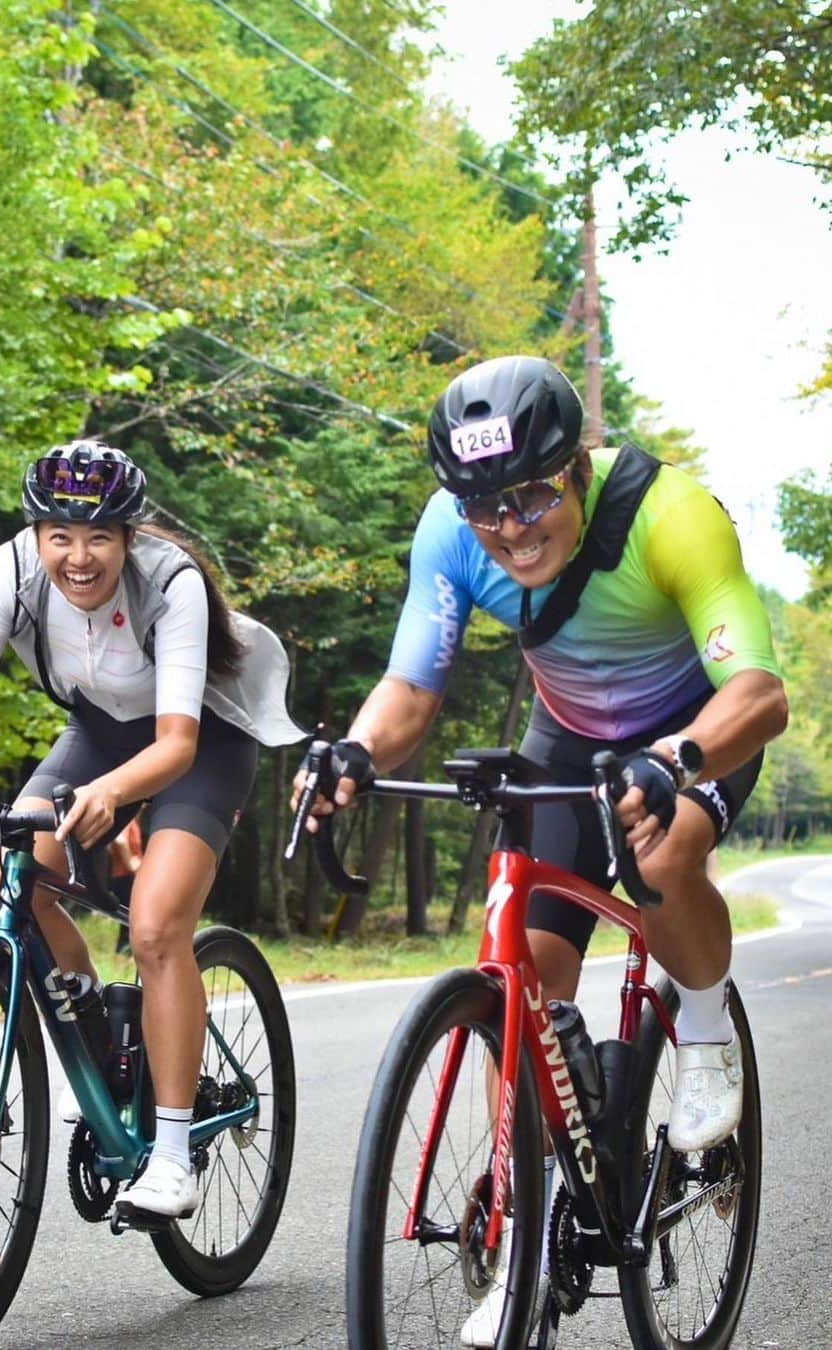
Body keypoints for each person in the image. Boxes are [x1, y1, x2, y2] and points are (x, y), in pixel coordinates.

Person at [292, 355, 787, 1347]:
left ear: (576, 470)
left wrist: (678, 759)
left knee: (660, 857)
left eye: (528, 498)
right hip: (568, 740)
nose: (508, 528)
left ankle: (700, 1030)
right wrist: (352, 750)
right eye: (483, 507)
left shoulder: (670, 515)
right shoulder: (453, 532)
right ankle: (522, 1227)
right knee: (521, 973)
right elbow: (412, 690)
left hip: (695, 730)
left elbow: (761, 696)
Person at [0, 439, 303, 1222]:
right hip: (102, 730)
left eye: (98, 538)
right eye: (59, 536)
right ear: (35, 535)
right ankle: (100, 1050)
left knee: (158, 927)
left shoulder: (173, 585)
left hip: (200, 739)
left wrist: (109, 794)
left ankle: (169, 1152)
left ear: (130, 537)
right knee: (8, 881)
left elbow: (177, 746)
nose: (78, 557)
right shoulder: (12, 573)